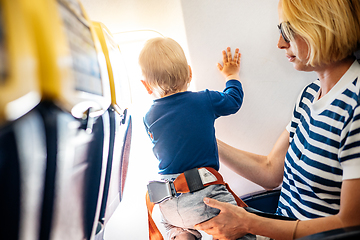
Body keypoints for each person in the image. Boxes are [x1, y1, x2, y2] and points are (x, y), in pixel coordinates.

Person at [194, 0, 360, 239]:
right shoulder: (309, 95)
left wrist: (249, 223)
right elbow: (271, 171)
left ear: (320, 27)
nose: (280, 43)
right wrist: (205, 140)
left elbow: (350, 224)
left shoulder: (355, 105)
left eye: (287, 31)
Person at [139, 37, 245, 240]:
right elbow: (234, 101)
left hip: (167, 202)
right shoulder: (204, 100)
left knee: (180, 229)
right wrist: (231, 75)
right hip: (203, 194)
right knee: (238, 224)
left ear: (146, 85)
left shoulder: (148, 117)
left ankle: (183, 235)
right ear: (189, 72)